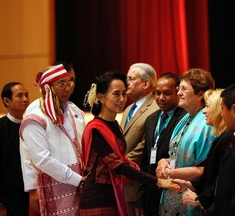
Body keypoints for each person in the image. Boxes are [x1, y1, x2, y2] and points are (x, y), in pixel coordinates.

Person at [79, 71, 179, 216]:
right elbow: (118, 165)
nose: (122, 99)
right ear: (101, 97)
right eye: (116, 94)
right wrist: (157, 181)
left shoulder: (114, 125)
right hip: (97, 197)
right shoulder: (96, 128)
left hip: (113, 193)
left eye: (124, 94)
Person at [19, 62, 86, 215]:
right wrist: (31, 188)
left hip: (79, 180)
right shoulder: (35, 115)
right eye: (62, 83)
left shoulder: (73, 109)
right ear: (48, 87)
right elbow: (36, 158)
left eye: (70, 82)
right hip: (54, 181)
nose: (68, 87)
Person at [156, 68, 217, 216]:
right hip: (172, 196)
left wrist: (170, 172)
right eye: (178, 89)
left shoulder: (207, 124)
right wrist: (163, 162)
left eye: (184, 89)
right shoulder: (186, 118)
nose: (178, 93)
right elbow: (175, 154)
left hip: (190, 199)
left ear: (200, 93)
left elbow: (205, 170)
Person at [136, 72, 186, 216]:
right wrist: (141, 198)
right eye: (157, 93)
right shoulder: (151, 119)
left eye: (167, 93)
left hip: (174, 189)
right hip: (151, 190)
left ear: (177, 92)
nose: (161, 98)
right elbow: (145, 161)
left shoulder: (184, 118)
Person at [171, 88, 227, 214]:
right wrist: (190, 185)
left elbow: (223, 182)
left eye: (208, 106)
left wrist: (200, 200)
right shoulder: (221, 137)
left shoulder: (227, 139)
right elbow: (212, 177)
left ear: (219, 109)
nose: (204, 111)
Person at [0, 82, 30, 216]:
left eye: (26, 95)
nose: (25, 99)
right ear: (6, 101)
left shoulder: (31, 125)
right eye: (20, 96)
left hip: (29, 194)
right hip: (8, 198)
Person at [119, 63, 159, 216]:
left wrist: (119, 165)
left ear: (145, 83)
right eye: (126, 78)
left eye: (131, 78)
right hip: (123, 181)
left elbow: (145, 145)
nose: (126, 82)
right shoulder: (128, 108)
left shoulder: (155, 107)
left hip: (137, 183)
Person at [207, 84, 235, 215]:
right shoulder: (230, 137)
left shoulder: (227, 138)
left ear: (233, 109)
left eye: (222, 109)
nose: (222, 113)